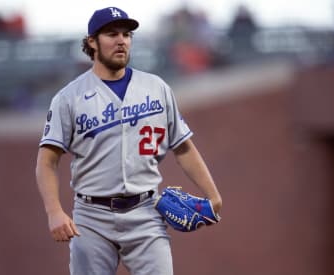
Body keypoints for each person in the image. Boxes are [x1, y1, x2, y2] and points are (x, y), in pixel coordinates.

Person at [35, 6, 222, 275]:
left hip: (146, 213)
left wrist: (213, 196)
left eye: (126, 34)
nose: (121, 40)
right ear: (92, 42)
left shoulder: (156, 88)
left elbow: (183, 146)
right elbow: (47, 161)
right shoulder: (69, 97)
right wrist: (54, 211)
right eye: (112, 34)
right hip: (91, 217)